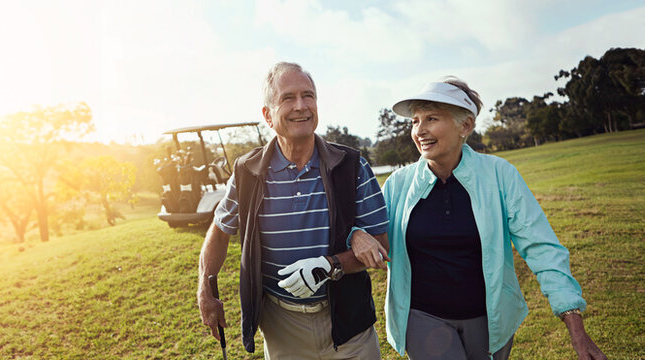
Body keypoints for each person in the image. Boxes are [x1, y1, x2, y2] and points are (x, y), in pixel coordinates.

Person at [372, 77, 606, 359]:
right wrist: (358, 235)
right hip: (423, 318)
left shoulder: (500, 175)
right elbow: (371, 234)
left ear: (465, 126)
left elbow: (541, 247)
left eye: (431, 118)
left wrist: (574, 322)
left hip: (489, 319)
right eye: (415, 121)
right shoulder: (398, 184)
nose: (420, 130)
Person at [196, 61, 391, 359]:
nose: (301, 106)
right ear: (268, 116)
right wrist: (205, 288)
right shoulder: (247, 172)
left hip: (349, 325)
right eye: (288, 98)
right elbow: (221, 231)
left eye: (308, 95)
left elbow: (382, 245)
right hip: (282, 328)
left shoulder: (352, 166)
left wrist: (330, 265)